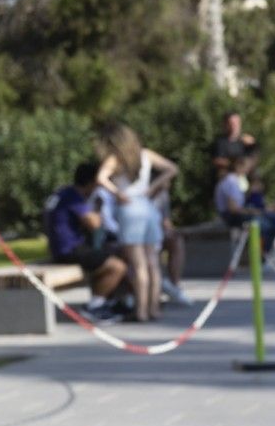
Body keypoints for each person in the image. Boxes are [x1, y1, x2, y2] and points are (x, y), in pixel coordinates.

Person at [97, 123, 178, 322]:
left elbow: (100, 178)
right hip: (147, 207)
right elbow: (171, 169)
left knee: (138, 264)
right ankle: (154, 308)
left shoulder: (116, 159)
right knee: (153, 262)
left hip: (129, 207)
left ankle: (141, 310)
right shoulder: (146, 155)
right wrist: (153, 188)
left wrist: (117, 193)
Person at [44, 162, 128, 321]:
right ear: (92, 182)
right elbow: (94, 224)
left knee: (110, 256)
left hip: (63, 246)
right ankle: (94, 307)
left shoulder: (64, 192)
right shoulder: (74, 197)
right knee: (117, 267)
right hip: (69, 249)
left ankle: (107, 302)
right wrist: (97, 209)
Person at [215, 155, 275, 257]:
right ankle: (265, 256)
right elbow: (233, 209)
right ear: (238, 166)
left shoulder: (238, 180)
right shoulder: (231, 182)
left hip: (240, 213)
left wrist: (261, 208)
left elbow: (243, 203)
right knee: (268, 225)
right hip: (232, 216)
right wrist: (254, 211)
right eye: (247, 167)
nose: (248, 170)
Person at [210, 110, 257, 179]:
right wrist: (234, 165)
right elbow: (216, 160)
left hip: (245, 177)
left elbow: (254, 158)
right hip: (228, 177)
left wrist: (254, 145)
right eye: (231, 123)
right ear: (226, 125)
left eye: (237, 123)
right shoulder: (221, 142)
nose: (234, 126)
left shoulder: (245, 141)